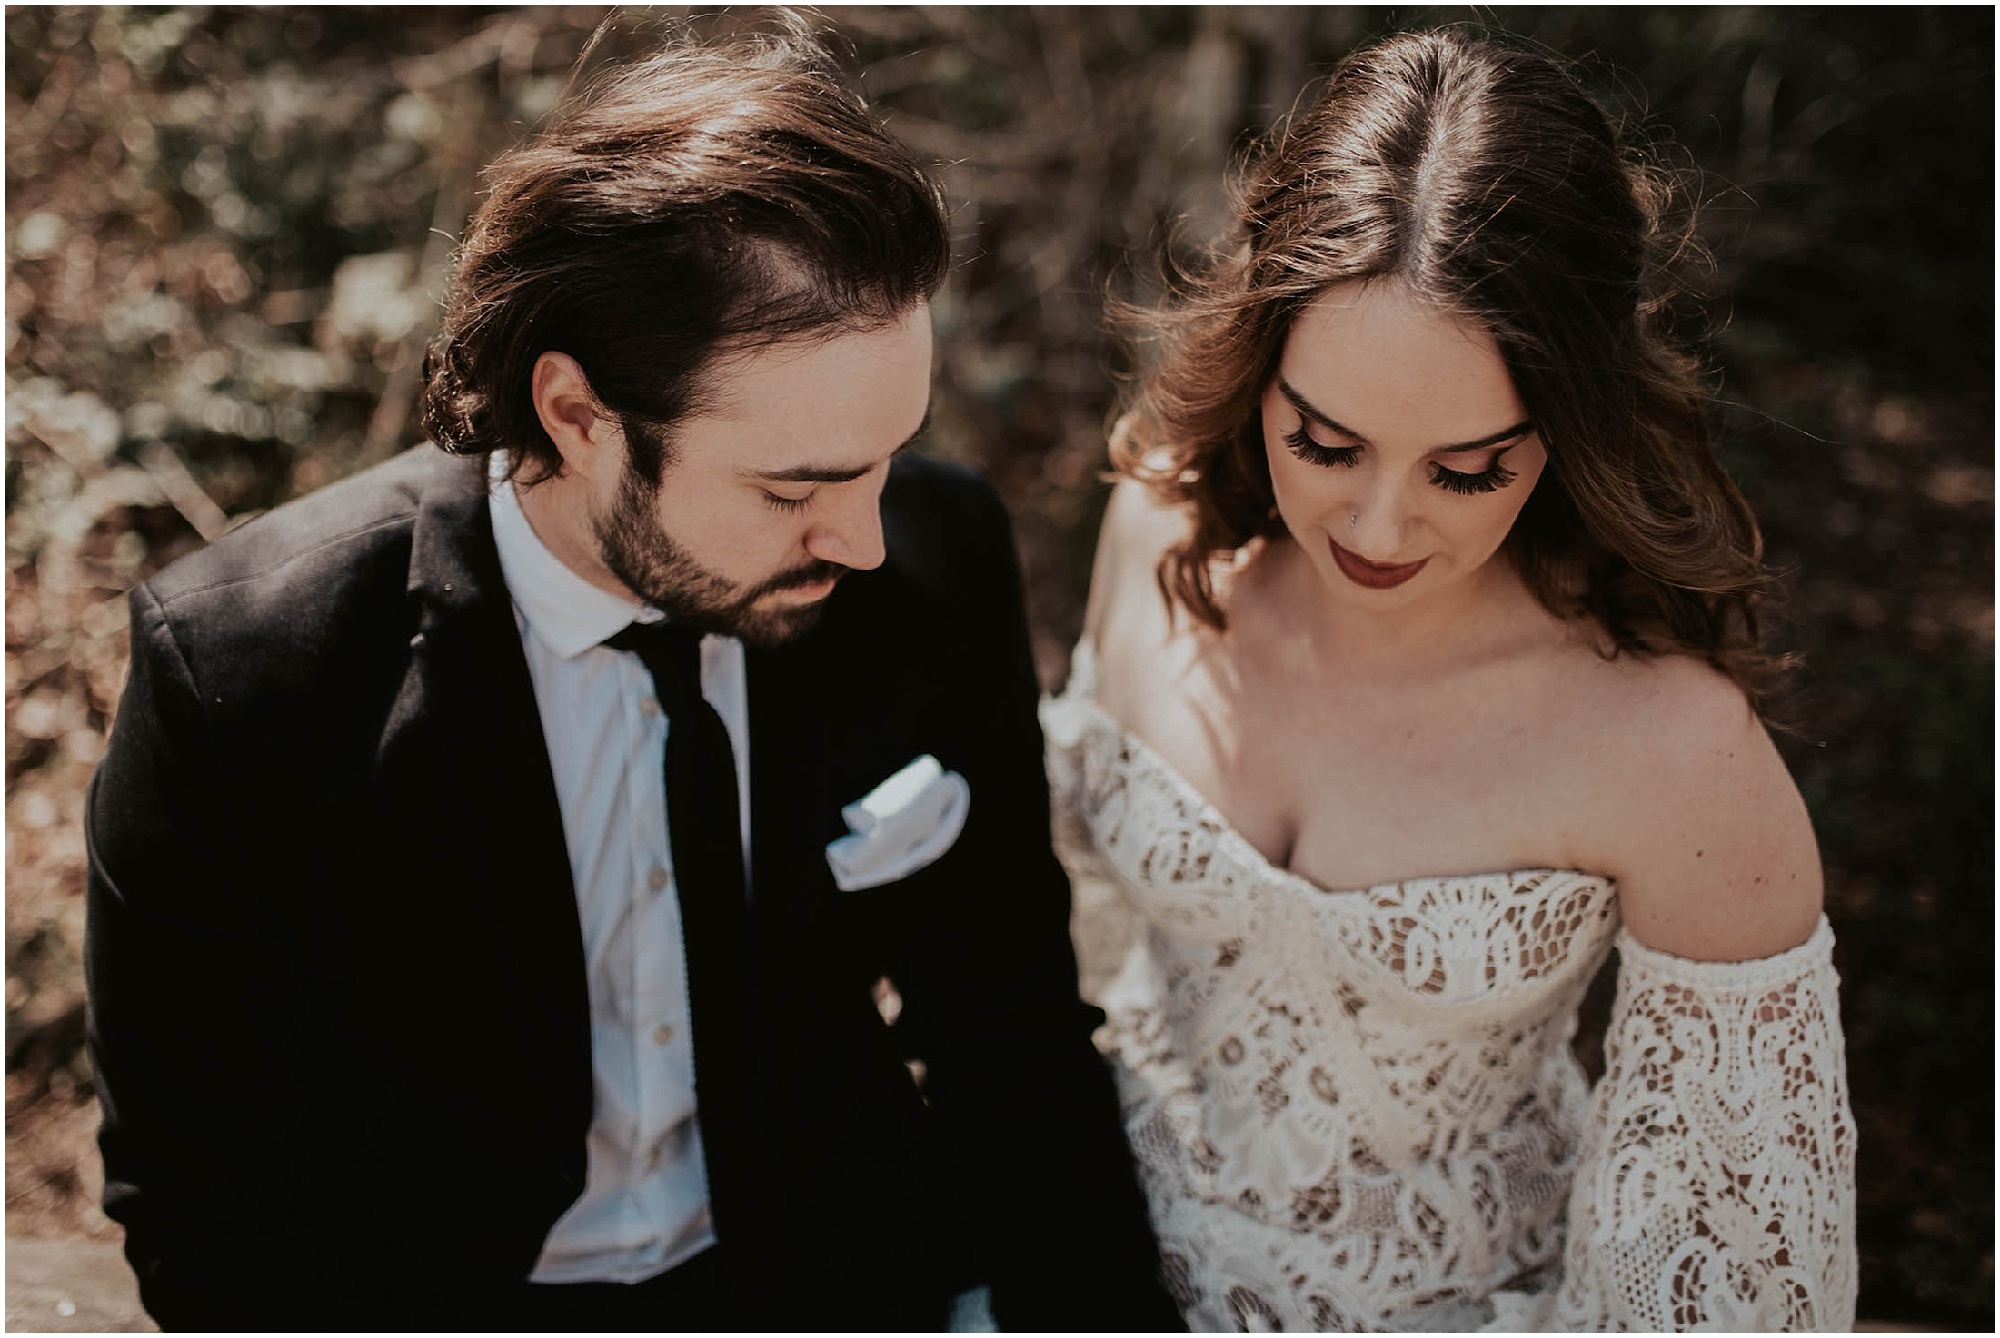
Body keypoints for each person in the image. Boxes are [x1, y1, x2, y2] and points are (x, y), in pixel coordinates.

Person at [84, 19, 1180, 1332]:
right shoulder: (246, 678)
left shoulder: (930, 561)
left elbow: (1013, 1045)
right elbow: (214, 1205)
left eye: (890, 453)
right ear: (577, 414)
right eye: (795, 486)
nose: (865, 536)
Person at [1044, 28, 1858, 1331]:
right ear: (1258, 367)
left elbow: (1724, 1282)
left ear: (1570, 426)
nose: (1375, 528)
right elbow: (1067, 934)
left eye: (1466, 468)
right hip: (1079, 1266)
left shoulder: (1672, 745)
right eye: (1324, 441)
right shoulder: (1155, 527)